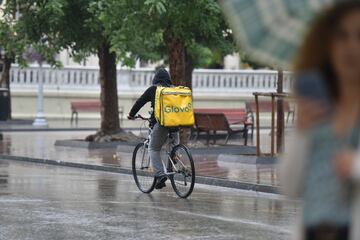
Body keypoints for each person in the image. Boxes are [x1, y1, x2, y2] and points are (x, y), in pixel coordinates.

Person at [280, 1, 360, 240]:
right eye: (341, 36)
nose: (351, 46)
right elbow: (289, 186)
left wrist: (355, 166)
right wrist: (302, 134)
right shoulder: (317, 109)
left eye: (359, 35)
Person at [128, 68, 179, 190]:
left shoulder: (153, 89)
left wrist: (131, 114)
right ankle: (175, 158)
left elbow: (139, 102)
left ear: (155, 79)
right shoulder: (174, 90)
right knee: (173, 147)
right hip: (176, 124)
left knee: (153, 148)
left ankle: (160, 176)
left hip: (161, 124)